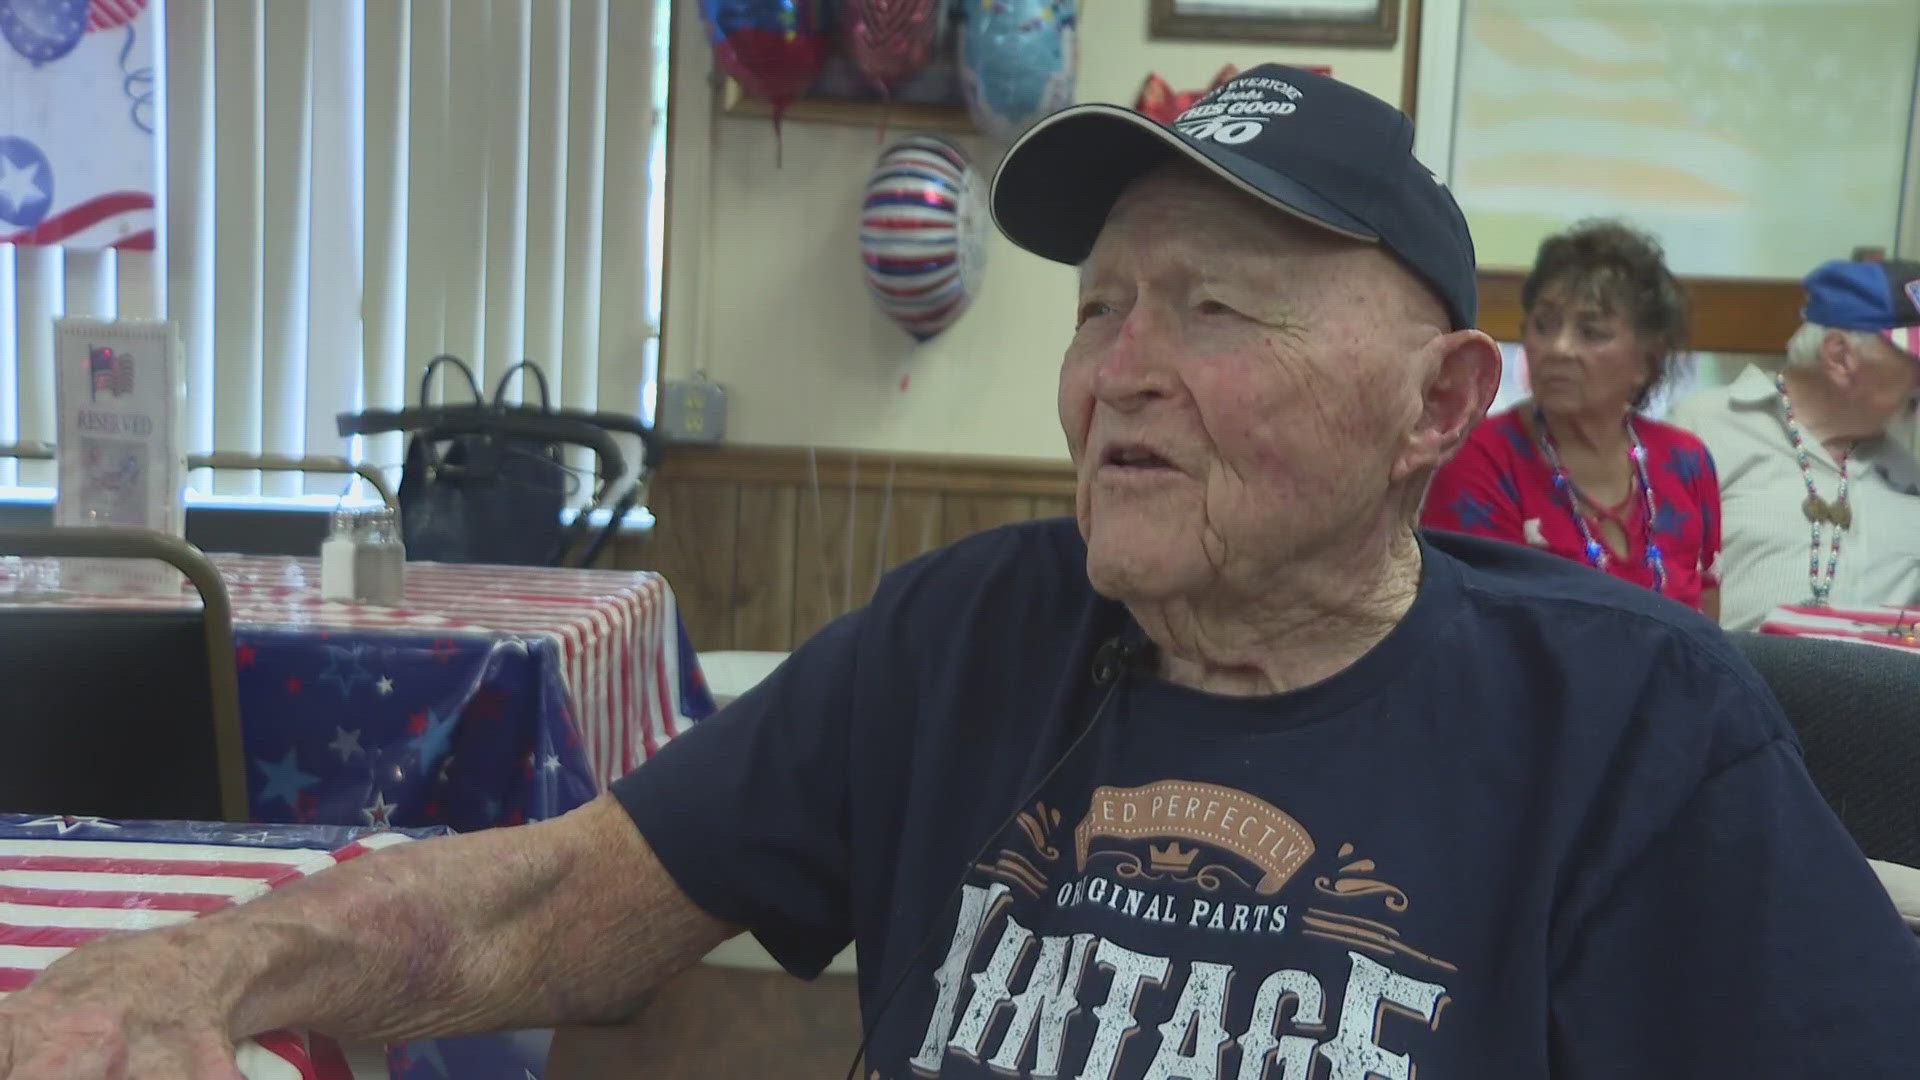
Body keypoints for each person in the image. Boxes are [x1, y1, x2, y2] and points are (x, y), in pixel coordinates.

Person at [3, 65, 1916, 1079]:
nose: (1119, 372)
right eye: (1100, 310)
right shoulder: (966, 631)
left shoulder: (1628, 718)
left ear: (1438, 404)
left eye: (1221, 309)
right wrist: (219, 959)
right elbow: (556, 907)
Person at [1422, 221, 1722, 617]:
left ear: (1647, 360)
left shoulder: (1686, 461)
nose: (1559, 348)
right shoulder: (1480, 456)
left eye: (1592, 332)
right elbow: (1475, 629)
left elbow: (1709, 632)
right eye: (1544, 326)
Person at [1668, 259, 1920, 631]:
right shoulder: (1702, 428)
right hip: (1735, 680)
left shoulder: (1909, 471)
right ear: (1840, 356)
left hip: (1879, 685)